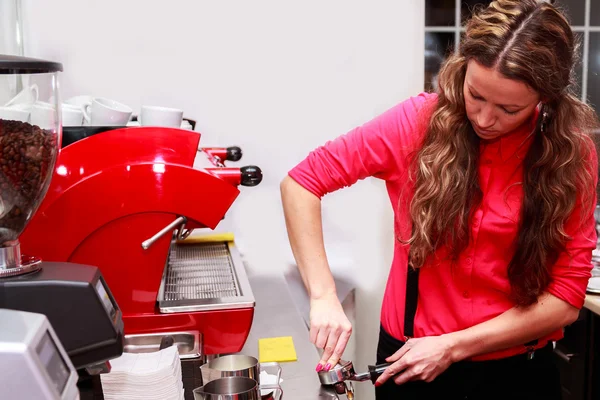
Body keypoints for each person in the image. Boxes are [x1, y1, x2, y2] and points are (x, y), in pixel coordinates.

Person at [280, 0, 600, 398]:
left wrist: (453, 345)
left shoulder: (572, 155)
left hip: (519, 373)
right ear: (462, 69)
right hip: (413, 368)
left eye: (508, 109)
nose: (484, 118)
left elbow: (565, 299)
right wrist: (323, 296)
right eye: (475, 95)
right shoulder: (416, 124)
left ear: (545, 100)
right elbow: (301, 183)